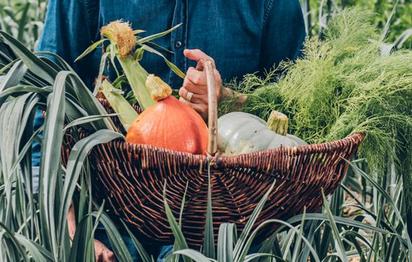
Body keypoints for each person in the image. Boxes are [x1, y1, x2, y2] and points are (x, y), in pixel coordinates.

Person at [36, 0, 306, 261]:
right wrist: (69, 229)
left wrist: (227, 100)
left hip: (227, 230)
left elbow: (299, 114)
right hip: (108, 223)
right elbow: (42, 102)